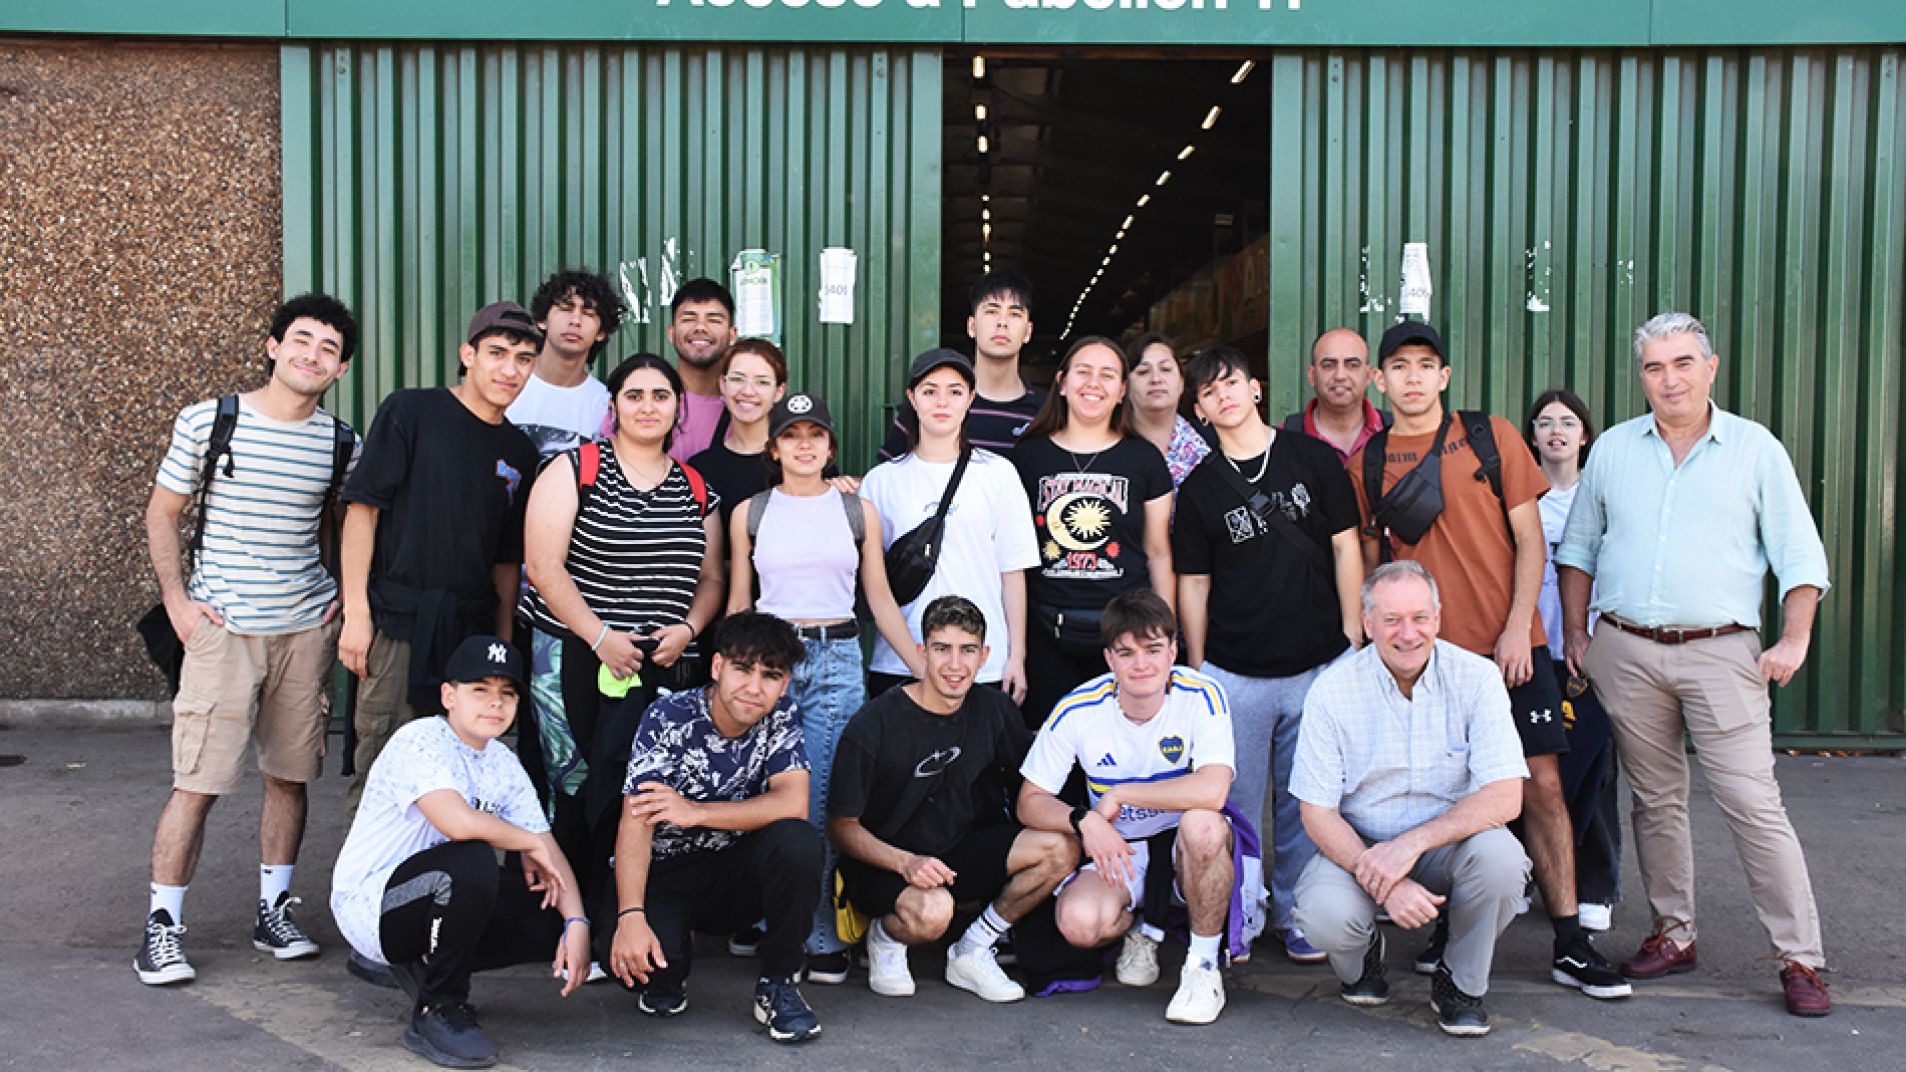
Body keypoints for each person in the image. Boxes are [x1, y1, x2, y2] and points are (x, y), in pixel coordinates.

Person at [1556, 311, 1834, 1017]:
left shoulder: (1754, 449)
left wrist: (1794, 639)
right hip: (1627, 650)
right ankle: (1674, 934)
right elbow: (1579, 549)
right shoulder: (1615, 449)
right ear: (1641, 375)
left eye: (1683, 363)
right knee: (1655, 799)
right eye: (1654, 366)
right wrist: (1580, 638)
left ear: (1710, 368)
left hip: (1722, 651)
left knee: (1751, 802)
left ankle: (1801, 956)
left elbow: (1800, 556)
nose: (1669, 378)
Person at [1346, 320, 1627, 1002]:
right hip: (1425, 658)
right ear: (1380, 381)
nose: (1413, 377)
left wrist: (1515, 630)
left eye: (1426, 365)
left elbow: (1532, 543)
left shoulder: (1492, 437)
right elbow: (1372, 563)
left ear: (1444, 376)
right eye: (1399, 366)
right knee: (1443, 792)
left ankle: (1570, 942)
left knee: (1542, 785)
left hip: (1511, 649)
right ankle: (1450, 927)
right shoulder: (1369, 460)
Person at [136, 293, 362, 986]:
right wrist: (178, 603)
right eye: (301, 340)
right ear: (272, 346)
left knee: (290, 778)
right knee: (197, 782)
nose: (311, 355)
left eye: (327, 348)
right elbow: (162, 513)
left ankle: (273, 913)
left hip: (304, 629)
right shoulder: (213, 420)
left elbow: (342, 527)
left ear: (341, 367)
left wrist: (338, 601)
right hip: (224, 630)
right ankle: (163, 928)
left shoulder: (339, 441)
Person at [521, 353, 725, 930]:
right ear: (613, 407)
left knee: (642, 792)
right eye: (634, 395)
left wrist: (688, 630)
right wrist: (601, 636)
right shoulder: (575, 468)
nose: (647, 407)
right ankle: (564, 918)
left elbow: (712, 578)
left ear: (678, 409)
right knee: (573, 783)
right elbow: (544, 566)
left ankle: (625, 919)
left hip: (660, 663)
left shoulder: (695, 488)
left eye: (661, 396)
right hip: (572, 655)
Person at [1173, 346, 1363, 964]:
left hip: (1318, 662)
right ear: (1199, 410)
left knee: (1307, 801)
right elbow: (1193, 584)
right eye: (1209, 391)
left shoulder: (1313, 460)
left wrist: (1355, 638)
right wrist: (1199, 668)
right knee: (1237, 806)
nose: (1223, 395)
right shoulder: (1200, 489)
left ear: (1256, 388)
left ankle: (1298, 913)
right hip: (1235, 670)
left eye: (1231, 382)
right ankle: (1243, 915)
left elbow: (1344, 548)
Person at [727, 392, 922, 984]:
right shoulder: (751, 513)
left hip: (836, 657)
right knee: (758, 790)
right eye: (792, 435)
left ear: (830, 447)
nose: (804, 444)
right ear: (775, 447)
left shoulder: (858, 512)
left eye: (816, 435)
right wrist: (728, 667)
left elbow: (880, 598)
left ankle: (819, 931)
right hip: (768, 657)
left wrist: (921, 664)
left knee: (817, 801)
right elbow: (740, 600)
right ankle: (770, 914)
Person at [1291, 561, 1533, 1037]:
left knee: (1504, 862)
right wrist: (1388, 882)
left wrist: (1413, 845)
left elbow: (1506, 795)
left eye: (1420, 617)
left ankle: (1460, 982)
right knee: (1321, 916)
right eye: (1392, 620)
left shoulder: (1477, 678)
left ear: (1438, 618)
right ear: (1367, 624)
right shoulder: (1331, 690)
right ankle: (1364, 960)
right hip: (1360, 843)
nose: (1408, 633)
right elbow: (1316, 812)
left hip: (1449, 840)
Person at [330, 635, 590, 1069]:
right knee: (470, 862)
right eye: (480, 690)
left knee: (549, 911)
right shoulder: (420, 740)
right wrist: (525, 841)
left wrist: (577, 922)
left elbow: (549, 850)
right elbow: (459, 824)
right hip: (371, 906)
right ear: (448, 696)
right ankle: (439, 1008)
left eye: (507, 693)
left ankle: (431, 967)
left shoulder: (502, 763)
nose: (495, 704)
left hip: (435, 898)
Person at [338, 302, 541, 808]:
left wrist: (501, 642)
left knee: (462, 775)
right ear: (467, 355)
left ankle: (445, 886)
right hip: (400, 625)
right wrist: (356, 614)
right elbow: (363, 512)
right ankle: (364, 888)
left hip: (470, 635)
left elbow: (505, 558)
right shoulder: (411, 411)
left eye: (523, 358)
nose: (509, 369)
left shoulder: (520, 451)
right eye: (497, 353)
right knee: (384, 771)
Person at [829, 596, 1076, 1001]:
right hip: (886, 862)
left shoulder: (993, 710)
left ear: (985, 657)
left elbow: (1031, 788)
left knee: (1059, 847)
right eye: (942, 649)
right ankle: (885, 937)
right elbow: (841, 828)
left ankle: (973, 947)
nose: (955, 664)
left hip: (957, 853)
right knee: (933, 913)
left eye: (967, 650)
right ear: (923, 653)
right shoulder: (875, 723)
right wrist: (905, 863)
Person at [1017, 590, 1237, 1026]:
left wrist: (1123, 794)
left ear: (1174, 650)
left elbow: (1214, 790)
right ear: (1108, 659)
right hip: (1122, 847)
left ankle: (1203, 967)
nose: (1141, 664)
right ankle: (1140, 925)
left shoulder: (1203, 693)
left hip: (1186, 847)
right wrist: (1081, 820)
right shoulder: (1078, 708)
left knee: (1204, 826)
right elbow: (1030, 802)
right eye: (1127, 652)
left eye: (1153, 650)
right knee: (1079, 924)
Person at [604, 612, 825, 1044]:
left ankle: (778, 982)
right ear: (718, 667)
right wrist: (630, 916)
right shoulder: (668, 716)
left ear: (783, 685)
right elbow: (635, 823)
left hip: (732, 871)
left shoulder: (782, 716)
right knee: (642, 972)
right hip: (665, 872)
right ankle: (670, 964)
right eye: (743, 669)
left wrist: (695, 811)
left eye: (770, 675)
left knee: (798, 842)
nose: (754, 687)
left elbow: (793, 803)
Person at [1011, 336, 1175, 727]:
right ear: (1062, 383)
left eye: (1107, 375)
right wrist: (1015, 651)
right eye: (1083, 372)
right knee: (1050, 756)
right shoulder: (1027, 457)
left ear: (1121, 391)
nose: (1094, 383)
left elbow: (1159, 553)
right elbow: (1012, 560)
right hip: (1046, 635)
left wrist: (1163, 639)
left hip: (1126, 636)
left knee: (1124, 753)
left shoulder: (1144, 458)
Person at [859, 348, 1041, 701]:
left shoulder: (999, 474)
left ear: (970, 399)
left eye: (955, 391)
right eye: (929, 391)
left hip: (982, 662)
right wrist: (918, 665)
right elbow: (875, 586)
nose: (942, 401)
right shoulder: (881, 482)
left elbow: (1012, 572)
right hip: (900, 661)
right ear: (912, 398)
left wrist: (1015, 655)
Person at [1526, 388, 1622, 933]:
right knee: (1526, 772)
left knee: (1596, 770)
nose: (1556, 431)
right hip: (1536, 654)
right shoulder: (1522, 499)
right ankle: (1525, 873)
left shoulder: (1602, 498)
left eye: (1567, 422)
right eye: (1544, 423)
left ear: (1584, 435)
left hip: (1589, 653)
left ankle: (1596, 884)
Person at [879, 270, 1047, 460]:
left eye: (1015, 314)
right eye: (992, 311)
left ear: (1028, 331)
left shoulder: (1046, 411)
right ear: (971, 326)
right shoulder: (934, 402)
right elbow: (886, 478)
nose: (1002, 322)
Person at [507, 268, 624, 458]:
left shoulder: (605, 405)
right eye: (566, 309)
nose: (575, 320)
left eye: (588, 313)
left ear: (601, 332)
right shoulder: (507, 383)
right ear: (542, 320)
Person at [688, 338, 789, 531]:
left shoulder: (803, 460)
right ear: (722, 384)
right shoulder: (701, 469)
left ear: (778, 391)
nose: (748, 391)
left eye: (762, 382)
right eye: (737, 379)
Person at [1281, 328, 1390, 463]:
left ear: (1369, 375)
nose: (1340, 376)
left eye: (1352, 365)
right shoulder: (1282, 441)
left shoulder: (1399, 434)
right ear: (1312, 375)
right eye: (1328, 365)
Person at [664, 278, 738, 461]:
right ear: (671, 333)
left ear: (732, 335)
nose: (700, 327)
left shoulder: (746, 406)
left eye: (713, 320)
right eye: (689, 319)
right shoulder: (645, 403)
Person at [1127, 332, 1209, 487]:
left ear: (1181, 383)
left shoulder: (1208, 445)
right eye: (1143, 371)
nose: (1156, 379)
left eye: (1165, 369)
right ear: (1125, 387)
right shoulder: (1108, 447)